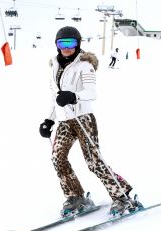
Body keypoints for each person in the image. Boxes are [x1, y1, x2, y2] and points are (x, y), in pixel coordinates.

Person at [39, 26, 142, 217]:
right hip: (64, 121)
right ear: (56, 45)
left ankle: (122, 195)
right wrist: (48, 120)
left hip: (83, 118)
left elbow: (91, 93)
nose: (67, 47)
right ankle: (75, 196)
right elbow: (55, 97)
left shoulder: (85, 65)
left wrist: (73, 96)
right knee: (57, 158)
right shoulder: (54, 65)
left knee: (93, 161)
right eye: (62, 43)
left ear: (78, 44)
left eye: (71, 43)